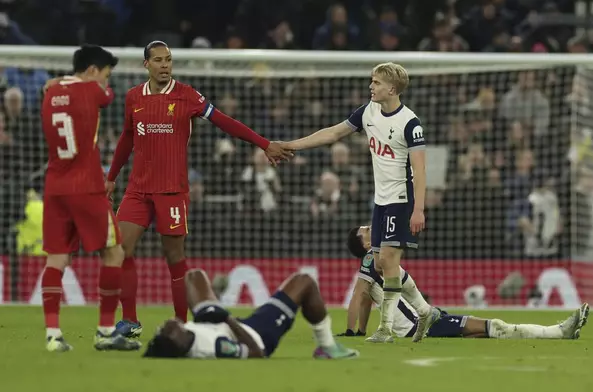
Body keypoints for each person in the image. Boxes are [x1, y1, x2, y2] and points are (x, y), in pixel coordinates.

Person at [106, 41, 293, 338]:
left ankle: (181, 323)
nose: (165, 65)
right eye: (158, 60)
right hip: (138, 190)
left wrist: (264, 143)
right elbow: (127, 139)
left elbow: (225, 122)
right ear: (146, 65)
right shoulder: (133, 98)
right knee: (119, 250)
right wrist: (112, 177)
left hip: (172, 191)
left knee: (174, 258)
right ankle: (129, 320)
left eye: (169, 59)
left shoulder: (187, 95)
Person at [282, 62, 440, 343]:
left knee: (390, 261)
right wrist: (292, 145)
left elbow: (421, 169)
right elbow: (333, 133)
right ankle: (426, 311)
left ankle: (386, 329)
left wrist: (418, 209)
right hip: (380, 201)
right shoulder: (368, 112)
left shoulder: (410, 123)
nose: (371, 86)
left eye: (377, 82)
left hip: (401, 199)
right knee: (379, 264)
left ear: (392, 88)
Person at [40, 45, 140, 352]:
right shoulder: (94, 92)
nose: (107, 84)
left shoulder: (48, 94)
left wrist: (57, 82)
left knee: (57, 258)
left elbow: (60, 87)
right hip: (86, 186)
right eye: (106, 76)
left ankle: (53, 335)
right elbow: (107, 98)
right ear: (93, 70)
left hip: (55, 186)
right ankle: (106, 330)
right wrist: (96, 87)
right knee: (114, 253)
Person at [342, 226, 590, 340]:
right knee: (494, 326)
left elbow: (365, 298)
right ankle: (558, 332)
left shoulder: (378, 260)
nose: (369, 226)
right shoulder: (370, 260)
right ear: (365, 245)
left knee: (484, 331)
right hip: (417, 327)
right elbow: (359, 295)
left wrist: (359, 331)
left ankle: (559, 332)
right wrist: (352, 331)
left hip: (423, 321)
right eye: (365, 230)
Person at [142, 269, 359, 359]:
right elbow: (256, 353)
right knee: (305, 282)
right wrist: (226, 317)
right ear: (177, 342)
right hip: (256, 332)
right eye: (168, 329)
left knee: (194, 276)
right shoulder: (214, 347)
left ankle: (214, 296)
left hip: (214, 323)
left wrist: (213, 313)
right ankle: (327, 345)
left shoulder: (184, 335)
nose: (168, 323)